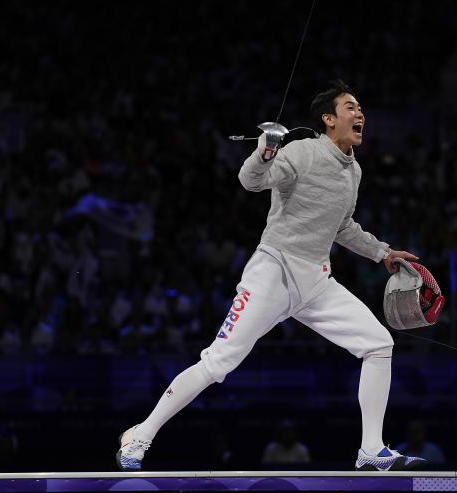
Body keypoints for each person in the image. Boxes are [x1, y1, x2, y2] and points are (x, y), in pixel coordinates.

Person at [116, 80, 425, 472]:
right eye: (350, 107)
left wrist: (382, 252)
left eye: (360, 107)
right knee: (218, 364)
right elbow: (252, 181)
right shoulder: (303, 151)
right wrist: (265, 149)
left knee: (379, 344)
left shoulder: (354, 171)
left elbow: (343, 226)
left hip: (315, 281)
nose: (359, 113)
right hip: (273, 271)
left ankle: (371, 450)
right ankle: (139, 435)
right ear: (329, 119)